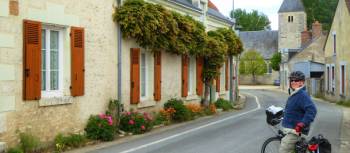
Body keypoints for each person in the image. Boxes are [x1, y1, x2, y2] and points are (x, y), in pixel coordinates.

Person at [279, 71, 317, 153]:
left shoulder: (302, 95)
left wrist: (302, 123)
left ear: (301, 82)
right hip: (291, 130)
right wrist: (281, 116)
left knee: (283, 150)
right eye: (291, 80)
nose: (293, 82)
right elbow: (291, 110)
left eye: (295, 80)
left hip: (296, 132)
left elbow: (312, 110)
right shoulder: (294, 93)